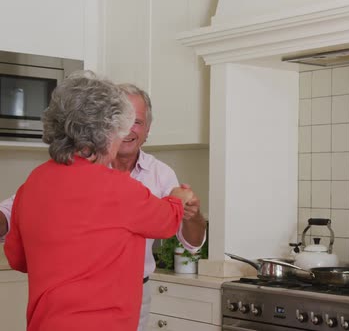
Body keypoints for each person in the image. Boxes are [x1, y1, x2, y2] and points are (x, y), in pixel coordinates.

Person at [0, 83, 207, 331]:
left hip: (47, 322)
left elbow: (18, 258)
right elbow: (166, 219)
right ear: (105, 134)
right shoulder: (120, 189)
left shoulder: (35, 181)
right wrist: (179, 196)